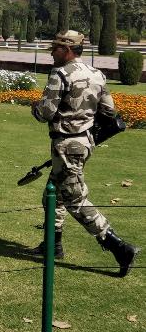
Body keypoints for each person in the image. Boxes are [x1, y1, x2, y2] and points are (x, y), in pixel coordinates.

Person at [27, 30, 139, 276]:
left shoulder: (60, 74)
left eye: (55, 49)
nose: (51, 54)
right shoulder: (96, 74)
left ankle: (118, 246)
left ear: (67, 50)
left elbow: (45, 112)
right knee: (52, 194)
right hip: (84, 143)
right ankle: (52, 245)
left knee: (75, 200)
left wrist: (35, 107)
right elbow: (110, 111)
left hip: (66, 144)